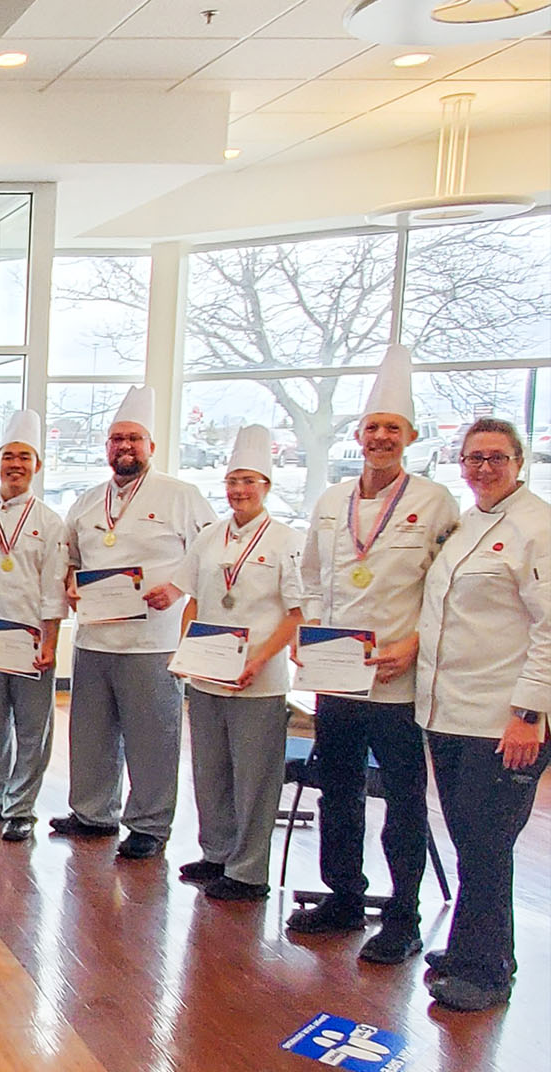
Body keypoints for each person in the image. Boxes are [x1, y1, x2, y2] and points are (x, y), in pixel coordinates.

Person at [286, 345, 461, 962]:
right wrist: (311, 637)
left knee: (404, 798)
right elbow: (308, 577)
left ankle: (404, 915)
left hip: (397, 680)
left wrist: (415, 644)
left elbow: (446, 592)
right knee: (339, 790)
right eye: (372, 428)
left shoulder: (435, 501)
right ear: (358, 436)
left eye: (392, 429)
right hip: (337, 677)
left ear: (410, 437)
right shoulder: (332, 501)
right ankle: (343, 896)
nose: (380, 437)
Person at [413, 418, 550, 1012]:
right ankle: (484, 946)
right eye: (473, 458)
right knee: (473, 839)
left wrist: (528, 712)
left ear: (519, 460)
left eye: (496, 457)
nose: (484, 468)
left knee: (488, 843)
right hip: (451, 713)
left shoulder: (538, 528)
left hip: (503, 718)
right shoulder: (471, 525)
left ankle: (485, 972)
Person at [54, 386, 214, 859]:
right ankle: (93, 813)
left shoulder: (180, 496)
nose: (125, 447)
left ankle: (148, 823)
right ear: (107, 447)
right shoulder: (86, 501)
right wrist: (68, 583)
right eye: (117, 439)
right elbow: (71, 555)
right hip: (96, 637)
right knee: (90, 732)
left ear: (152, 448)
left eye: (134, 440)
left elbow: (209, 553)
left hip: (153, 639)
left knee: (153, 736)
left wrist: (178, 587)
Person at [162, 425, 304, 902]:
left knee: (255, 777)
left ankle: (248, 871)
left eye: (249, 482)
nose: (239, 491)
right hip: (208, 676)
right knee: (210, 770)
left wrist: (260, 661)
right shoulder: (209, 538)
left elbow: (297, 615)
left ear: (267, 486)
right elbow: (194, 601)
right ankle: (216, 852)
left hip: (257, 680)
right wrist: (188, 653)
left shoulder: (286, 540)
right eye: (233, 482)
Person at [0, 413, 67, 843]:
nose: (16, 465)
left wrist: (51, 641)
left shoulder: (49, 522)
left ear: (37, 466)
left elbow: (54, 588)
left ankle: (21, 808)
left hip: (30, 637)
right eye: (9, 457)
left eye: (25, 457)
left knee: (31, 727)